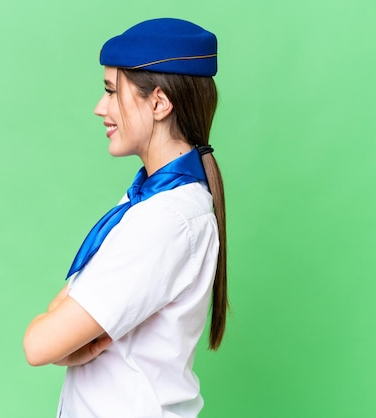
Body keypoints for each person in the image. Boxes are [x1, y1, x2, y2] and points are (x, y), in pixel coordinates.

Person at [23, 17, 228, 418]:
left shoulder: (164, 218)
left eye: (112, 92)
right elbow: (62, 313)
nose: (101, 108)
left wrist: (63, 339)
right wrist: (66, 336)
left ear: (159, 103)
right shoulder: (148, 200)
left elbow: (39, 343)